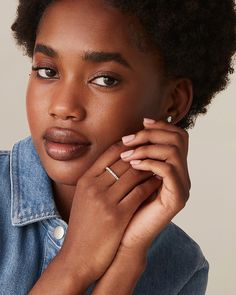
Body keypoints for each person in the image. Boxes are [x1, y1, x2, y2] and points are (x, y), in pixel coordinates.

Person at [1, 0, 235, 294]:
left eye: (104, 79)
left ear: (173, 100)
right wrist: (76, 263)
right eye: (47, 71)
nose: (63, 107)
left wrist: (128, 258)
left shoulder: (182, 267)